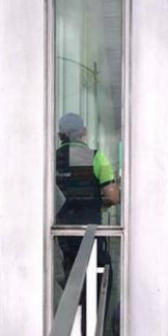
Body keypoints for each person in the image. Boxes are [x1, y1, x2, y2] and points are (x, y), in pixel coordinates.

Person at [55, 112, 119, 285]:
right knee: (97, 275)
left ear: (60, 133)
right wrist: (96, 199)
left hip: (58, 231)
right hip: (89, 229)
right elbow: (113, 196)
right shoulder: (96, 157)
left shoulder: (51, 158)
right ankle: (89, 309)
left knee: (68, 276)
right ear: (84, 132)